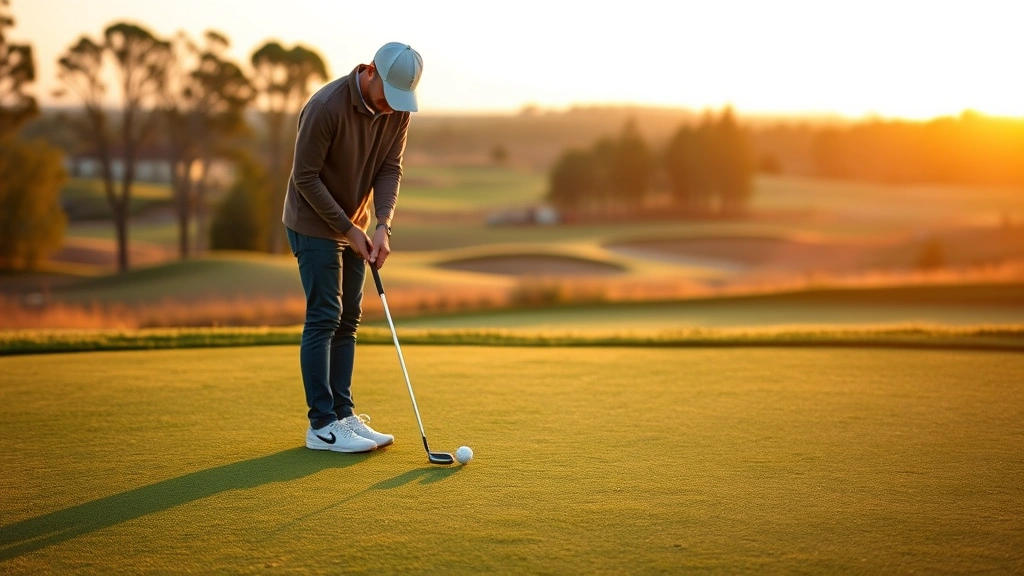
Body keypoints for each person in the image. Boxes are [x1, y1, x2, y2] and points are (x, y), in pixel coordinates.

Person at [282, 42, 423, 453]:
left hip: (357, 225)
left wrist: (383, 225)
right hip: (312, 222)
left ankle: (343, 415)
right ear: (370, 71)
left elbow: (389, 167)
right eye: (386, 97)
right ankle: (321, 424)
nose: (390, 107)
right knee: (325, 315)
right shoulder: (326, 106)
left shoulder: (398, 111)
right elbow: (305, 178)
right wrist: (348, 228)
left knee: (349, 318)